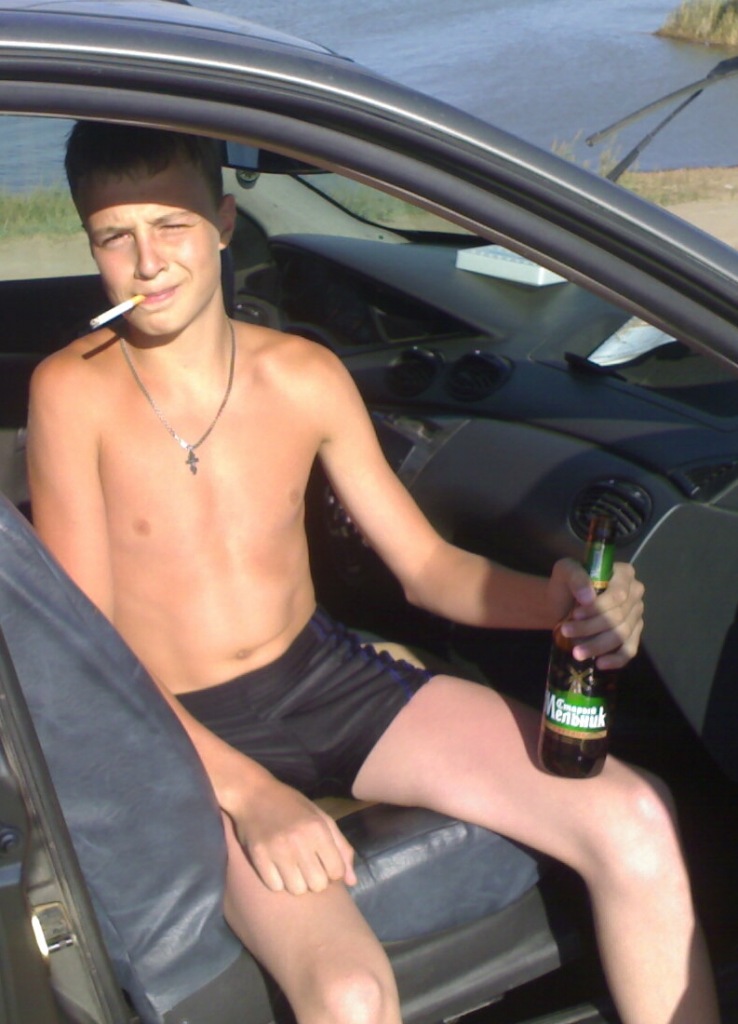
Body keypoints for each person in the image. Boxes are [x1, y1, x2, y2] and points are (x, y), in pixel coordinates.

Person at [26, 122, 720, 1024]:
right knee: (349, 994)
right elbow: (93, 661)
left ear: (225, 223)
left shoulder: (304, 375)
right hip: (173, 724)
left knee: (636, 817)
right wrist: (249, 793)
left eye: (172, 225)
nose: (148, 261)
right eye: (114, 236)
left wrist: (558, 601)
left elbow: (429, 570)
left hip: (320, 677)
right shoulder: (71, 392)